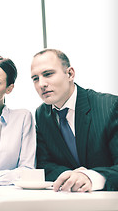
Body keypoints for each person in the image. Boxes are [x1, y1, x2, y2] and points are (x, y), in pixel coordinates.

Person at [31, 48, 118, 192]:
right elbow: (45, 164)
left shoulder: (110, 107)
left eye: (48, 74)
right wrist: (72, 176)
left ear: (70, 74)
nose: (41, 84)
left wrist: (90, 177)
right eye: (35, 78)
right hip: (68, 199)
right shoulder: (42, 114)